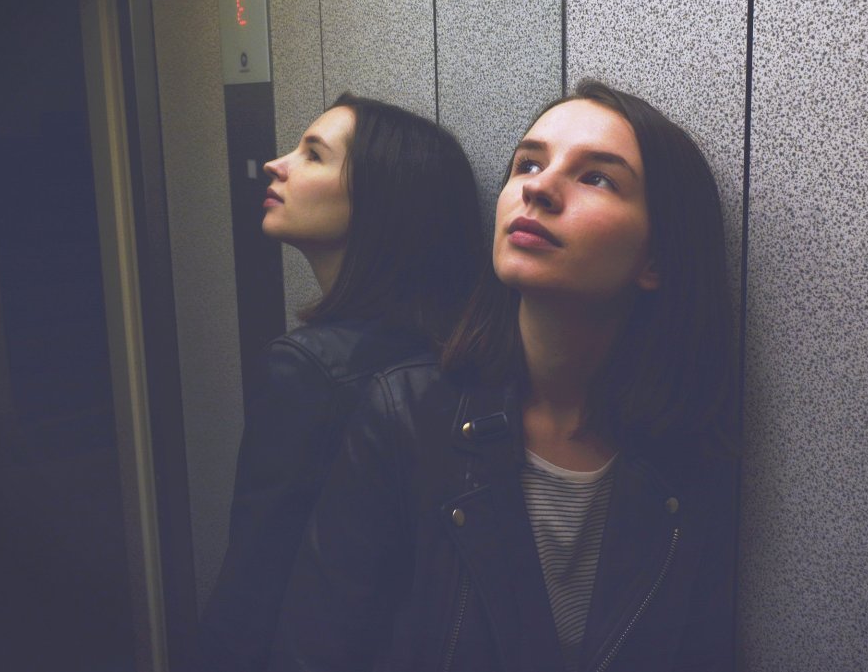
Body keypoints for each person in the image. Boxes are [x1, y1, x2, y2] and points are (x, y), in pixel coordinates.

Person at [271, 80, 739, 671]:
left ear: (656, 260)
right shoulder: (405, 415)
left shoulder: (687, 444)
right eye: (528, 164)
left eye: (597, 177)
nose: (538, 187)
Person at [195, 93, 486, 672]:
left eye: (313, 155)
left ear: (381, 202)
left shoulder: (308, 369)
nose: (276, 164)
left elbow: (255, 589)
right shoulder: (459, 349)